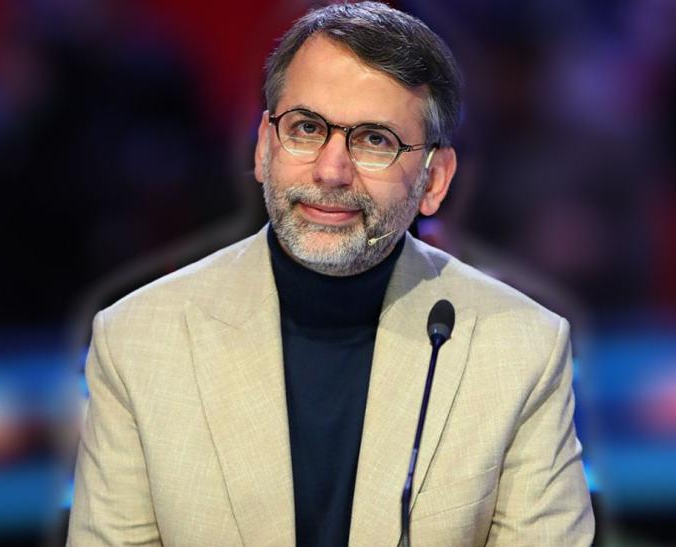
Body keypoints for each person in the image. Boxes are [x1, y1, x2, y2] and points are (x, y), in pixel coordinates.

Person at [67, 2, 594, 545]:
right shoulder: (137, 341)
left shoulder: (522, 350)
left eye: (375, 140)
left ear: (435, 180)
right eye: (306, 128)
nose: (331, 171)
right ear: (263, 148)